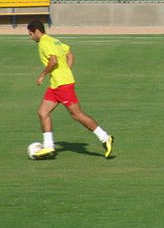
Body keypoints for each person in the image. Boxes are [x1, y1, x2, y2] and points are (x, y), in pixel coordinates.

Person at [27, 20, 114, 159]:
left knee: (76, 114)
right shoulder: (55, 41)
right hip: (56, 84)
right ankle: (49, 146)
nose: (31, 37)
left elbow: (53, 61)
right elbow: (70, 55)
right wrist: (66, 71)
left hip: (63, 85)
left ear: (37, 31)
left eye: (31, 34)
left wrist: (42, 75)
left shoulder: (44, 43)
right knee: (43, 112)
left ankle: (105, 137)